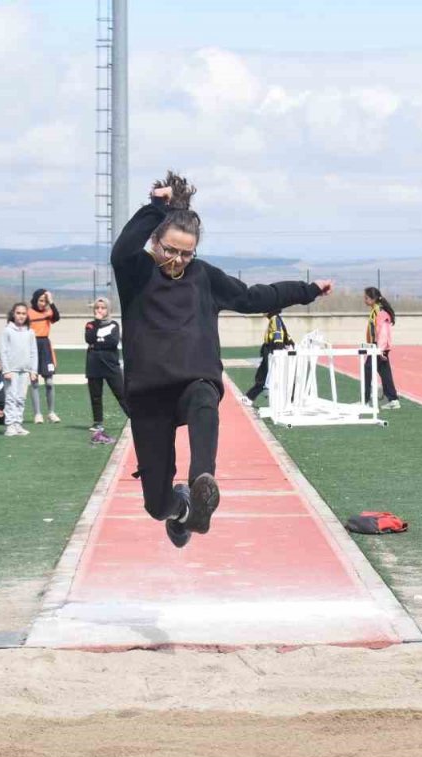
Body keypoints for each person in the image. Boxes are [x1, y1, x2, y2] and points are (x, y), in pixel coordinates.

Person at [111, 171, 333, 548]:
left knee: (204, 395)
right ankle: (183, 512)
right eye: (170, 250)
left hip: (191, 380)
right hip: (148, 393)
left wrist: (306, 290)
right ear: (156, 242)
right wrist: (156, 206)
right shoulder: (136, 272)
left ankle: (202, 483)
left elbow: (252, 298)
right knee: (155, 504)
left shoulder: (203, 277)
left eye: (186, 253)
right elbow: (121, 250)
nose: (177, 260)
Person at [84, 296, 128, 435]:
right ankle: (98, 422)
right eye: (97, 308)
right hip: (94, 365)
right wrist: (97, 324)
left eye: (103, 308)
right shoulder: (90, 325)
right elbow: (89, 338)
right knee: (95, 395)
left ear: (108, 309)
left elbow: (113, 342)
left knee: (121, 393)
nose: (100, 310)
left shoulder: (113, 324)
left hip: (110, 365)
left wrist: (98, 342)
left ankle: (135, 417)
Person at [0, 302, 38, 437]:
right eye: (18, 313)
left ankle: (18, 424)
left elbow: (33, 352)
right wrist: (6, 370)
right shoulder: (7, 331)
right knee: (11, 397)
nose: (21, 316)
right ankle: (10, 425)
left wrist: (33, 370)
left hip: (25, 371)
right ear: (13, 314)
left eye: (23, 313)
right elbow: (3, 351)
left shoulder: (30, 332)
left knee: (21, 398)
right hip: (12, 371)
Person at [362, 286, 400, 411]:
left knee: (367, 369)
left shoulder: (381, 312)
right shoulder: (375, 310)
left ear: (373, 299)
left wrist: (380, 350)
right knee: (385, 373)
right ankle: (393, 400)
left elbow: (383, 332)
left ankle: (365, 400)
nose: (364, 300)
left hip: (379, 348)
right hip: (378, 347)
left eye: (366, 298)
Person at [244, 311, 293, 403]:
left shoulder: (275, 319)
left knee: (265, 375)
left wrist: (278, 351)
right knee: (263, 375)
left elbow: (278, 334)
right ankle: (249, 397)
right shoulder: (275, 319)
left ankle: (290, 399)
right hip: (270, 349)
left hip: (272, 350)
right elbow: (285, 334)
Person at [27, 288, 61, 424]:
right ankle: (37, 414)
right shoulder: (28, 313)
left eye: (45, 301)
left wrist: (51, 302)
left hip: (45, 347)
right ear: (35, 300)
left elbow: (57, 317)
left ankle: (51, 412)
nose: (43, 303)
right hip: (32, 346)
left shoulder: (49, 312)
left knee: (49, 382)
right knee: (34, 382)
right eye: (41, 300)